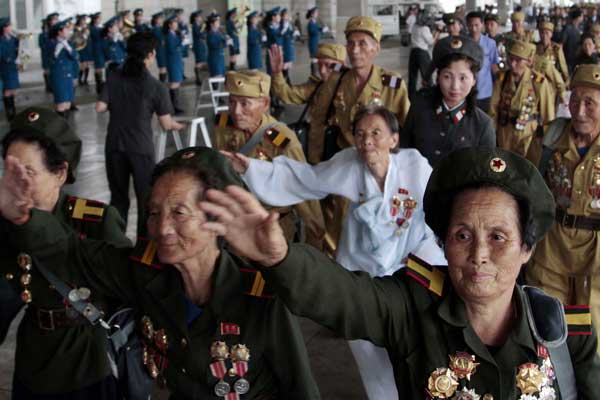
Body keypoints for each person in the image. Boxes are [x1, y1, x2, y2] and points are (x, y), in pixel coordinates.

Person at [201, 147, 600, 400]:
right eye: (462, 235)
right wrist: (278, 258)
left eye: (498, 237)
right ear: (442, 243)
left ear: (526, 248)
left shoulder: (566, 337)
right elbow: (343, 296)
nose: (479, 255)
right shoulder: (410, 308)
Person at [0, 146, 322, 400]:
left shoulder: (260, 296)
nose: (162, 228)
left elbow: (299, 388)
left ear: (216, 220)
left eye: (179, 213)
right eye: (154, 213)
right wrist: (22, 217)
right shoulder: (145, 273)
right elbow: (72, 253)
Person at [224, 105, 446, 400]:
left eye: (376, 133)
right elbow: (306, 179)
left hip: (412, 262)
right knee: (366, 344)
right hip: (364, 264)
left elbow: (440, 209)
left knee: (419, 338)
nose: (367, 141)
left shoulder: (414, 167)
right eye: (360, 134)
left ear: (394, 139)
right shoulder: (349, 165)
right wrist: (250, 168)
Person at [0, 107, 130, 399]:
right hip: (34, 357)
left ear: (60, 173)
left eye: (27, 173)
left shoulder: (94, 220)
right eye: (10, 171)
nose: (15, 183)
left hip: (87, 359)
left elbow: (126, 284)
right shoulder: (6, 222)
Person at [527, 63, 600, 357]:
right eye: (574, 101)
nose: (579, 111)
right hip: (551, 247)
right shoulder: (549, 138)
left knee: (593, 338)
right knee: (546, 329)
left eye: (590, 103)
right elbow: (528, 188)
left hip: (596, 258)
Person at [214, 70, 325, 249]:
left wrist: (315, 234)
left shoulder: (281, 140)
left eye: (245, 103)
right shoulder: (223, 124)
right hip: (235, 221)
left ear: (264, 104)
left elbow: (302, 187)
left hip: (271, 225)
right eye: (232, 102)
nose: (236, 111)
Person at [96, 32, 185, 237]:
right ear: (151, 55)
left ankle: (114, 243)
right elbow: (165, 123)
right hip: (140, 148)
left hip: (114, 145)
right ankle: (142, 248)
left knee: (118, 199)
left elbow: (100, 107)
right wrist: (178, 125)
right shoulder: (156, 86)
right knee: (147, 200)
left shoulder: (114, 76)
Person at [402, 36, 495, 167]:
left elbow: (484, 172)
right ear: (438, 77)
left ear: (474, 80)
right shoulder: (419, 108)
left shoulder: (482, 125)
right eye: (447, 76)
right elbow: (404, 152)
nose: (454, 86)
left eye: (463, 78)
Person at [270, 42, 347, 164]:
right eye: (319, 64)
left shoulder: (352, 89)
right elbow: (286, 94)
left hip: (341, 157)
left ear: (341, 65)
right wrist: (277, 73)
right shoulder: (316, 87)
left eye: (328, 65)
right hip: (315, 154)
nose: (322, 70)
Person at [489, 39, 555, 163]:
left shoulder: (538, 82)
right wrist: (492, 134)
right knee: (504, 164)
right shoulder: (502, 79)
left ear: (528, 62)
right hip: (505, 132)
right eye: (511, 59)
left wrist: (546, 143)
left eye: (518, 60)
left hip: (528, 134)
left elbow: (548, 116)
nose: (513, 64)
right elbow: (493, 109)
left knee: (525, 167)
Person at [466, 11, 498, 112]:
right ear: (467, 25)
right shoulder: (463, 43)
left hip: (485, 91)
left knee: (484, 119)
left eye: (476, 25)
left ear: (482, 25)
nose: (474, 29)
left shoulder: (491, 43)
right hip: (467, 90)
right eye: (471, 25)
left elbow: (493, 65)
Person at [48, 19, 78, 119]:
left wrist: (68, 47)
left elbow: (75, 56)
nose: (68, 31)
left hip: (68, 75)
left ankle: (66, 127)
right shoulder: (52, 43)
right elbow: (51, 58)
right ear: (59, 32)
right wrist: (58, 48)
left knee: (68, 103)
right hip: (58, 76)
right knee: (61, 103)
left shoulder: (68, 43)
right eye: (66, 29)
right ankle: (59, 128)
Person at [408, 10, 438, 100]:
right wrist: (437, 32)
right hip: (422, 53)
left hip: (413, 53)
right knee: (427, 76)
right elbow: (431, 42)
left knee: (412, 77)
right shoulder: (425, 29)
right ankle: (430, 96)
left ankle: (411, 98)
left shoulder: (414, 26)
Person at [536, 19, 570, 87]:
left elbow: (563, 66)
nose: (544, 35)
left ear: (551, 34)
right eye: (542, 32)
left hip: (552, 80)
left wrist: (567, 81)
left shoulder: (556, 48)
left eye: (547, 33)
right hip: (538, 80)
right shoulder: (535, 48)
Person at [163, 15, 185, 114]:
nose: (176, 24)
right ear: (170, 25)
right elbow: (172, 49)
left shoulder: (174, 34)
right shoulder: (169, 36)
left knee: (177, 82)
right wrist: (181, 42)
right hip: (172, 61)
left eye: (176, 22)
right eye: (174, 23)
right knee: (174, 83)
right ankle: (173, 106)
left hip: (176, 60)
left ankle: (175, 105)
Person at [0, 17, 19, 121]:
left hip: (12, 66)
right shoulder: (1, 40)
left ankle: (13, 108)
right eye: (9, 25)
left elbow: (17, 49)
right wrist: (9, 59)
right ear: (4, 28)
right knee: (7, 89)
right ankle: (10, 112)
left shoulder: (12, 38)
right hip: (5, 67)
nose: (11, 27)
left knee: (13, 89)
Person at [40, 13, 58, 93]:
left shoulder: (55, 31)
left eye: (56, 19)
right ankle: (48, 86)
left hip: (54, 53)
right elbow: (42, 45)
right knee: (47, 69)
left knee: (53, 70)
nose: (56, 21)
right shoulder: (44, 33)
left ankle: (52, 85)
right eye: (54, 19)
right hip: (46, 54)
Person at [562, 7, 584, 75]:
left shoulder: (579, 28)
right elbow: (562, 43)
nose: (583, 18)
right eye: (582, 16)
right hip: (568, 59)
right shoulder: (568, 29)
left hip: (577, 58)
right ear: (578, 17)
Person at [306, 7, 327, 76]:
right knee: (314, 60)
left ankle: (315, 74)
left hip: (316, 43)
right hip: (313, 44)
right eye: (316, 13)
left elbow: (317, 29)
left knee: (317, 59)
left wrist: (322, 29)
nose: (317, 14)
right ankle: (313, 75)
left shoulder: (315, 22)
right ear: (312, 14)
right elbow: (313, 32)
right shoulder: (310, 23)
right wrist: (321, 31)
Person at [206, 12, 227, 78]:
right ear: (211, 24)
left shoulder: (218, 32)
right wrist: (225, 42)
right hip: (215, 59)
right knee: (216, 78)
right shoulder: (210, 34)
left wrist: (226, 40)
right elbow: (215, 45)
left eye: (218, 21)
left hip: (220, 58)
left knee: (221, 79)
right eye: (217, 21)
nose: (219, 23)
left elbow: (222, 43)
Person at [280, 9, 298, 84]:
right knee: (284, 66)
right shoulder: (281, 24)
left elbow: (289, 34)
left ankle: (287, 83)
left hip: (289, 46)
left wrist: (294, 33)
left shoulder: (289, 24)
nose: (288, 16)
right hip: (284, 47)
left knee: (287, 67)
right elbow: (281, 35)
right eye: (287, 15)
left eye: (288, 15)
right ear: (283, 16)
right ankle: (286, 83)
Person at [264, 7, 283, 76]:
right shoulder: (271, 28)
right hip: (272, 55)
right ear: (273, 17)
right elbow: (277, 39)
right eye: (278, 15)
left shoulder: (276, 27)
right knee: (271, 74)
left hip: (277, 54)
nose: (280, 17)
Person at [74, 14, 92, 86]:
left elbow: (89, 38)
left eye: (84, 20)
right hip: (81, 48)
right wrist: (83, 34)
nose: (84, 21)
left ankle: (85, 79)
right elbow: (76, 39)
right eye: (82, 20)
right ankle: (80, 79)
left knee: (87, 64)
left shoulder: (87, 27)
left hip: (87, 47)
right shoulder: (76, 28)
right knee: (82, 64)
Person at [89, 12, 105, 94]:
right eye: (98, 18)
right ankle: (99, 85)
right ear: (95, 20)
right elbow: (97, 36)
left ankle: (100, 84)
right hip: (96, 49)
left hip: (101, 49)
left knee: (101, 67)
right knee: (98, 67)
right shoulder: (93, 28)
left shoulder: (99, 27)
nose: (100, 20)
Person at [190, 10, 207, 85]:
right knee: (199, 62)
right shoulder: (195, 25)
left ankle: (199, 77)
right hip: (198, 45)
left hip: (200, 44)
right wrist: (204, 32)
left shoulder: (198, 25)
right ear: (195, 18)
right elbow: (199, 34)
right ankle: (197, 78)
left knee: (201, 61)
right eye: (199, 16)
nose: (201, 18)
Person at [151, 11, 167, 83]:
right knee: (162, 68)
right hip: (160, 50)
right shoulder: (155, 29)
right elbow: (162, 41)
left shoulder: (160, 28)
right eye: (159, 18)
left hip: (163, 50)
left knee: (164, 67)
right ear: (155, 20)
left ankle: (163, 83)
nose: (161, 20)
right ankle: (162, 84)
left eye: (161, 18)